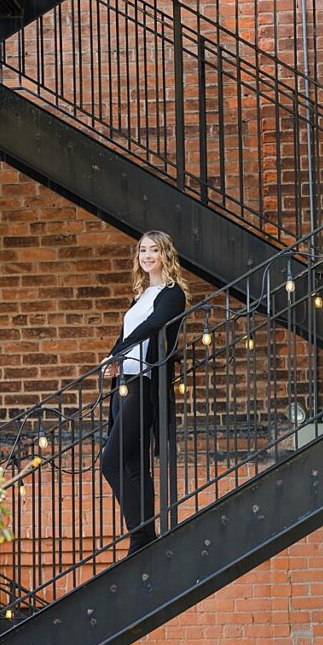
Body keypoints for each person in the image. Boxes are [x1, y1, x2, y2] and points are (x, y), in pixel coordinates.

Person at [99, 230, 188, 556]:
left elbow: (154, 325)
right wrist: (113, 358)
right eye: (143, 251)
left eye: (154, 250)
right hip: (124, 384)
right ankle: (143, 537)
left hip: (145, 384)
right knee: (134, 465)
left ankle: (140, 534)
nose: (147, 256)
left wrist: (120, 352)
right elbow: (126, 333)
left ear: (165, 254)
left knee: (110, 461)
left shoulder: (171, 293)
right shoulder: (141, 294)